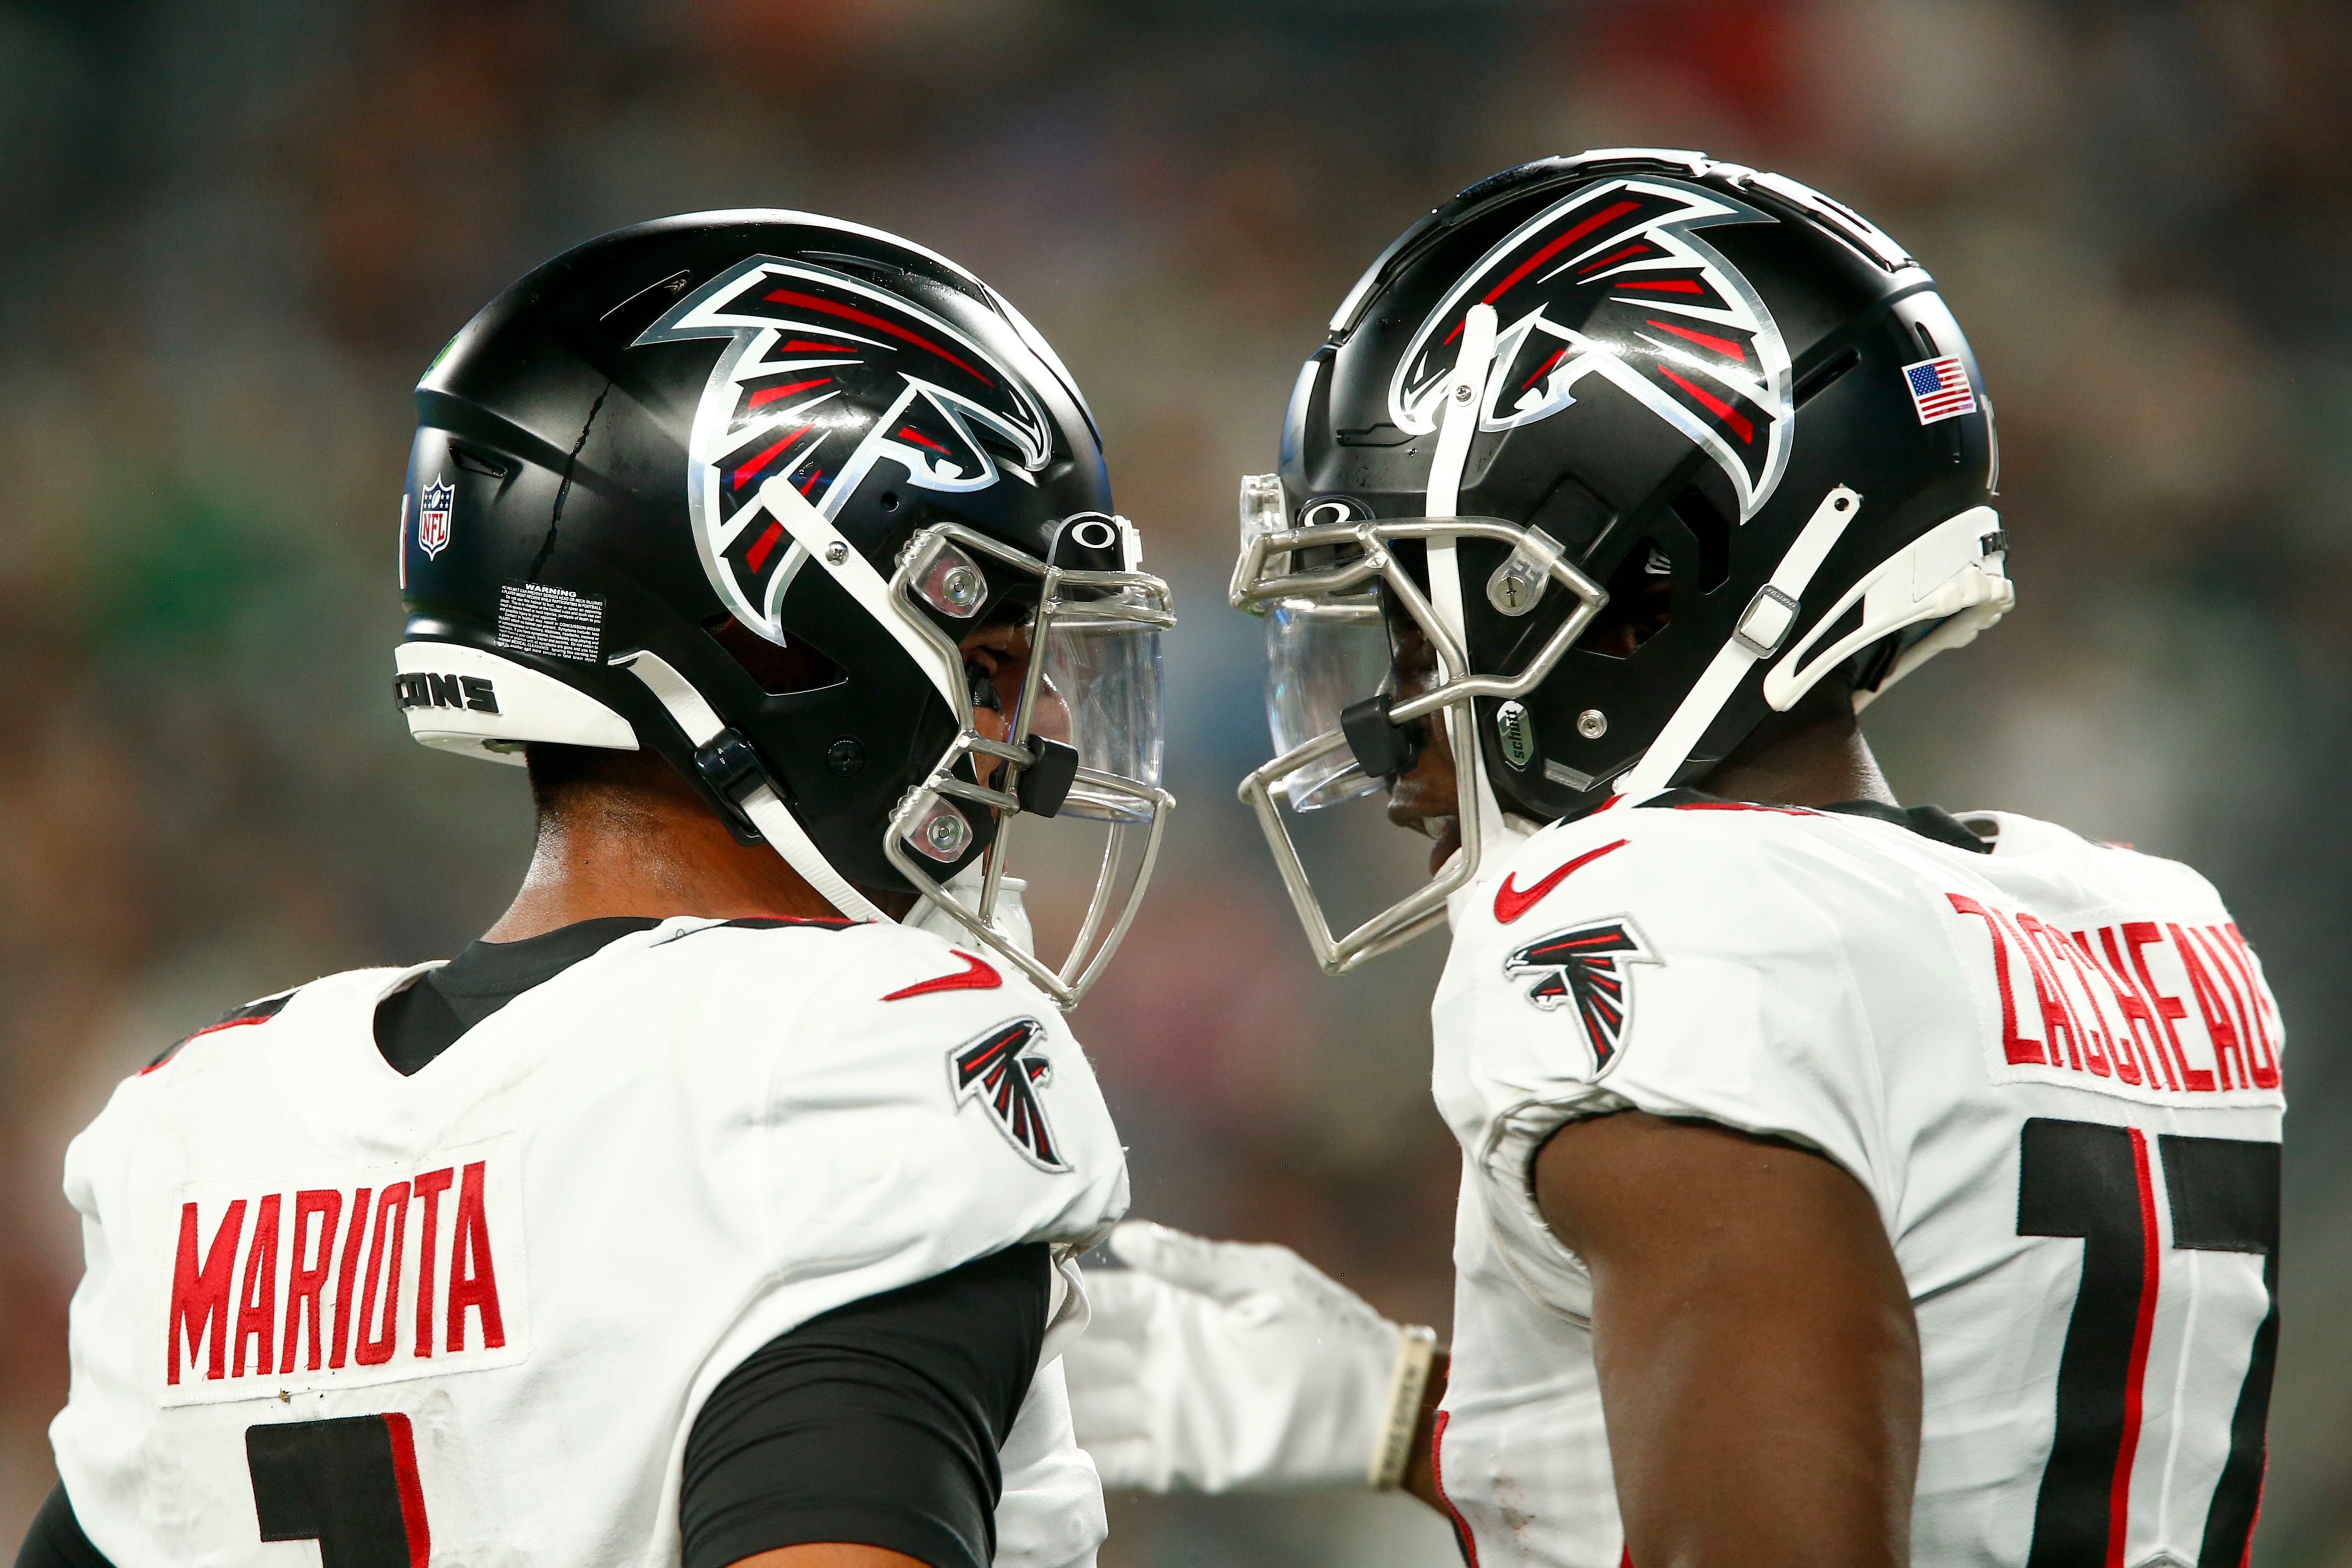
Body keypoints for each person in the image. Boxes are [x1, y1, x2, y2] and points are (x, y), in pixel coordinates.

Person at [1071, 150, 2284, 1568]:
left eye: (1417, 631)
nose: (1390, 737)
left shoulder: (1655, 916)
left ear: (1643, 602)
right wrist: (1404, 1413)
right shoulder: (2143, 922)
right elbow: (1940, 1397)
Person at [18, 211, 1179, 1568]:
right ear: (780, 644)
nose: (1028, 739)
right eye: (988, 665)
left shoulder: (201, 1130)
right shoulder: (840, 1062)